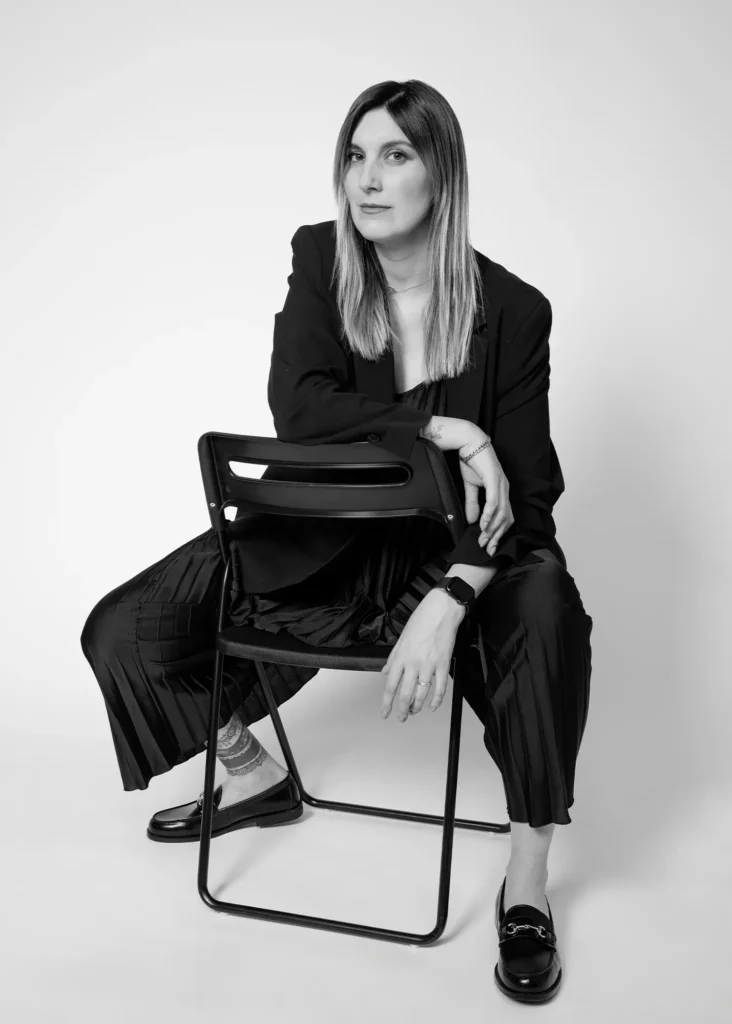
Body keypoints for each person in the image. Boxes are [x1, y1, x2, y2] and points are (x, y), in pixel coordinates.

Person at [80, 79, 592, 1003]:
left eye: (395, 155)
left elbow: (526, 497)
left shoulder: (515, 310)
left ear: (442, 174)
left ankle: (527, 880)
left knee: (549, 609)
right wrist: (439, 427)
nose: (368, 179)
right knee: (125, 630)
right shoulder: (321, 259)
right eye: (356, 156)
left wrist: (453, 597)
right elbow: (301, 409)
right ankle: (254, 777)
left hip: (458, 552)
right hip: (327, 541)